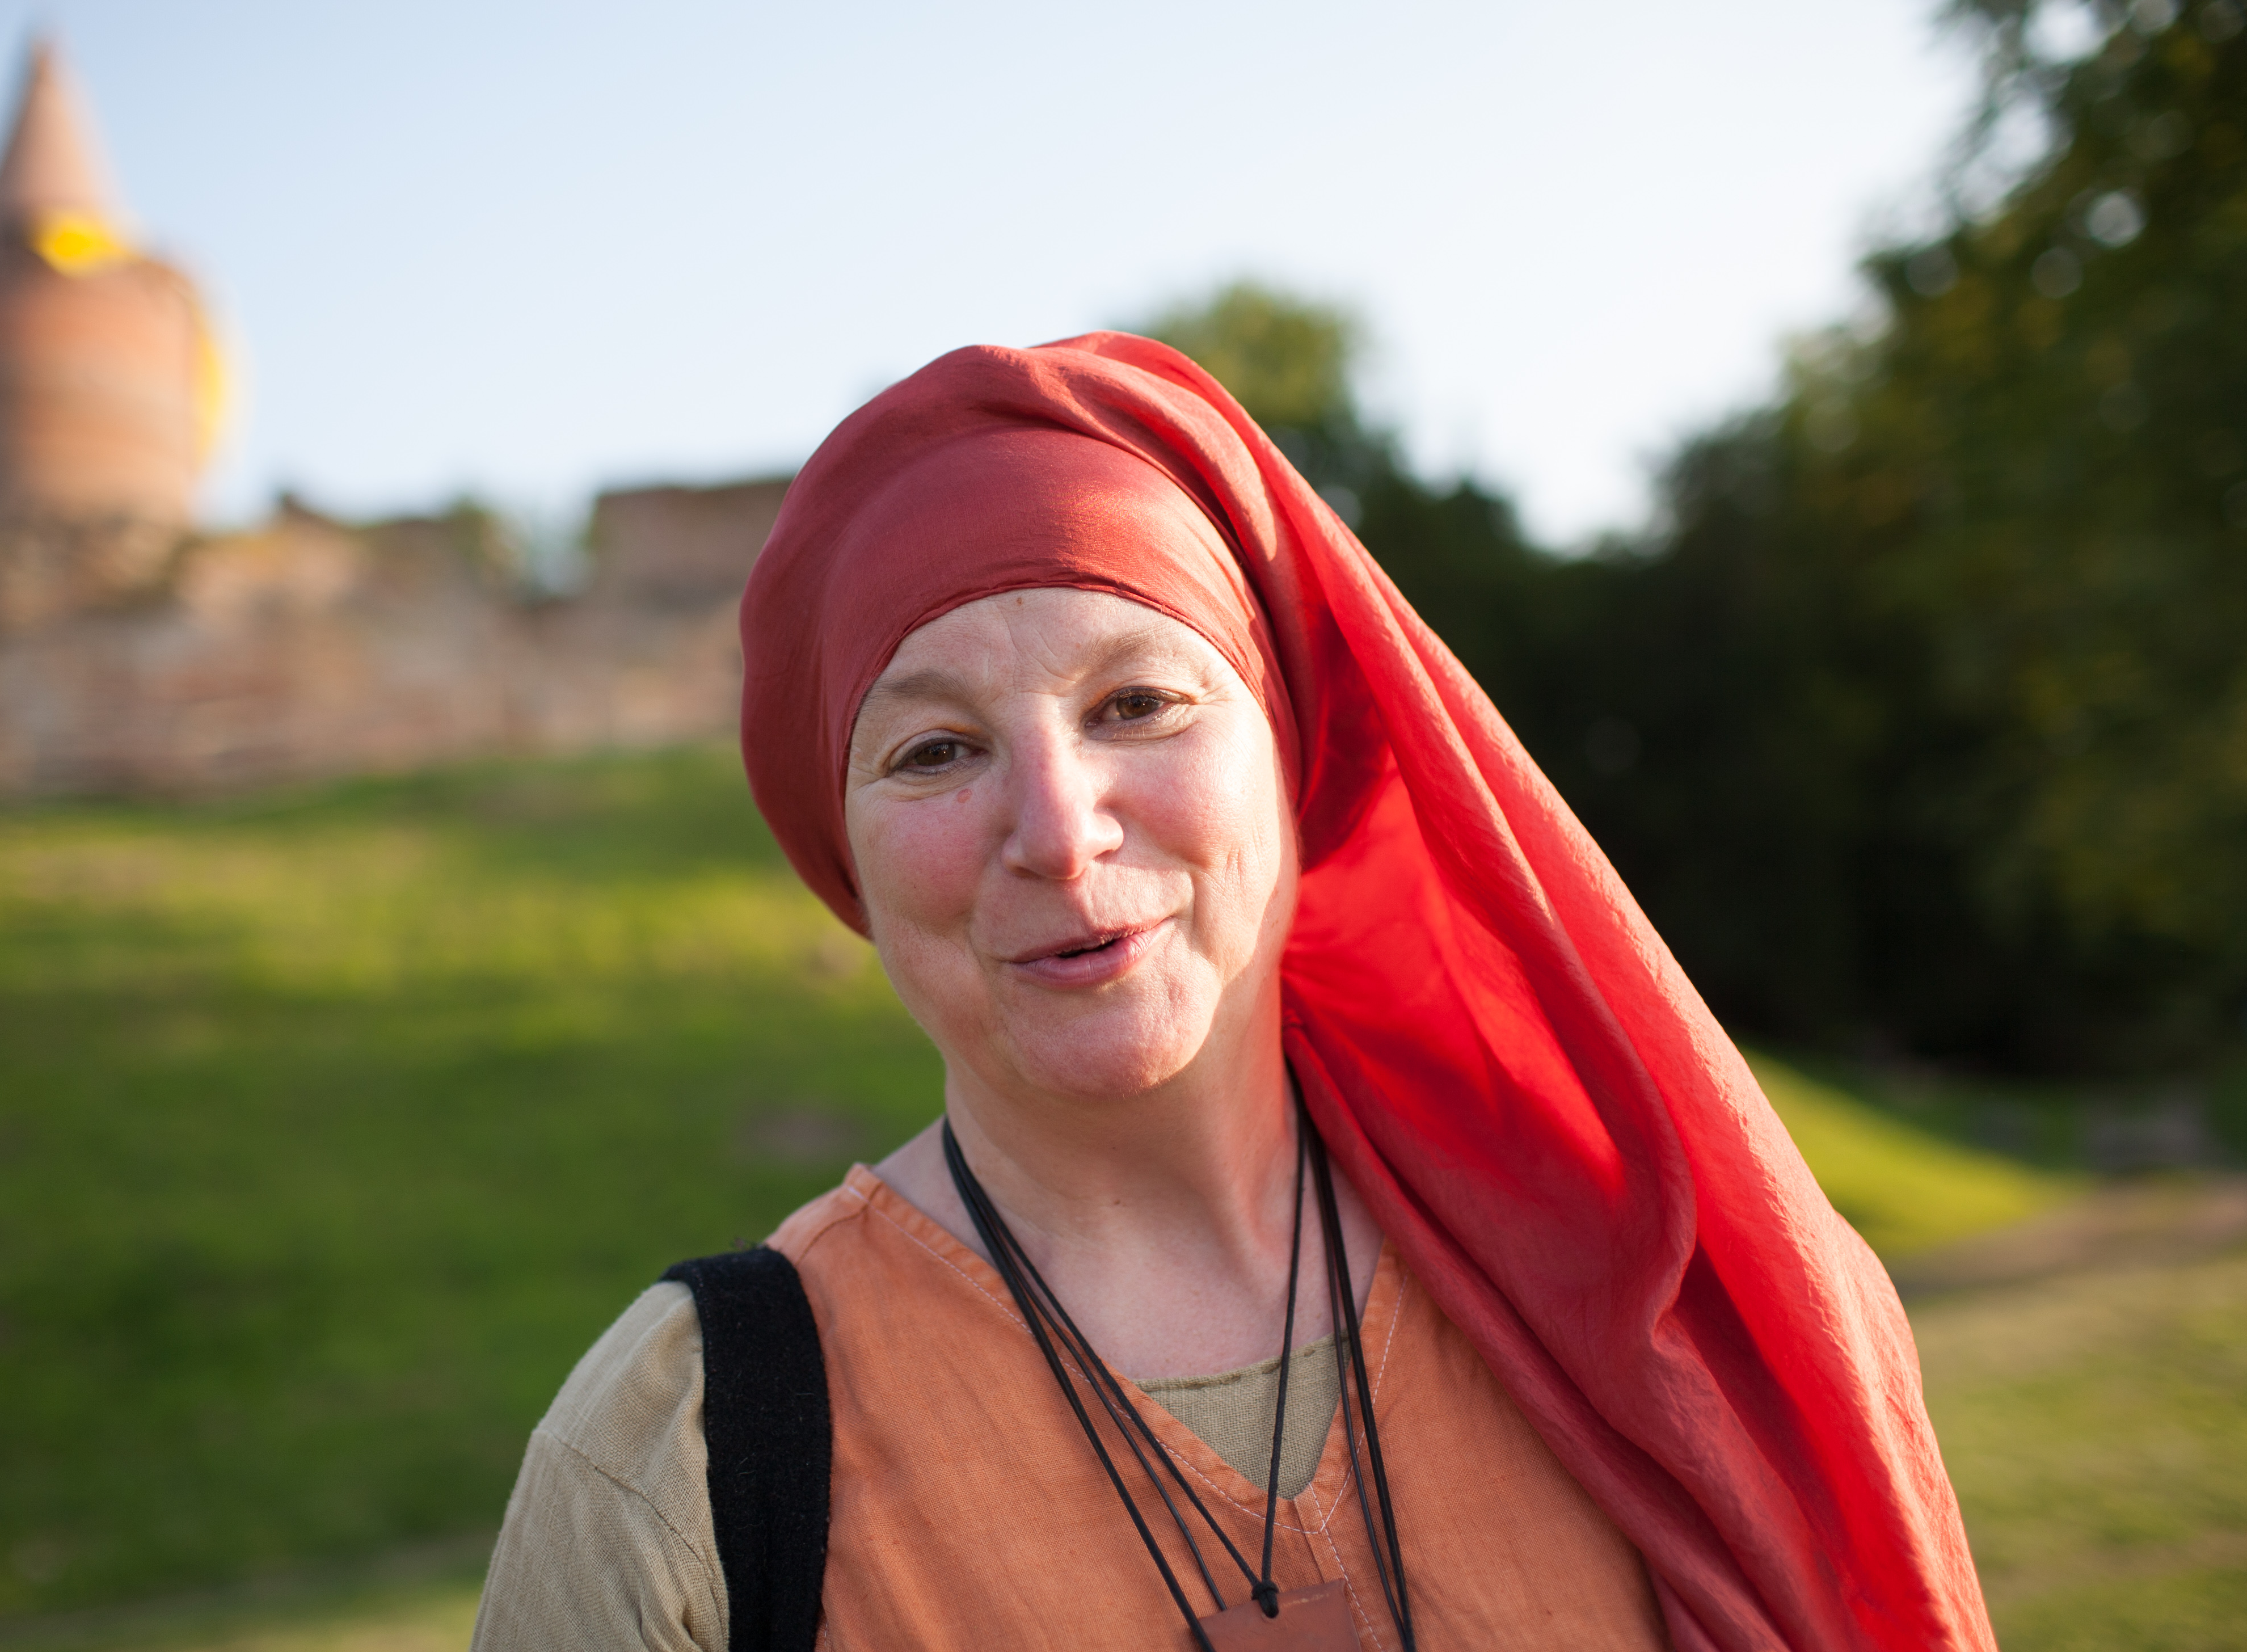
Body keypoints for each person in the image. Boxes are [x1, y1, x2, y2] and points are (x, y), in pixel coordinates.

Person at [471, 334, 1996, 1652]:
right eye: (935, 750)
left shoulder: (1642, 1286)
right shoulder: (683, 1456)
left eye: (1138, 702)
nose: (1059, 830)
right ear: (847, 857)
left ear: (1292, 747)